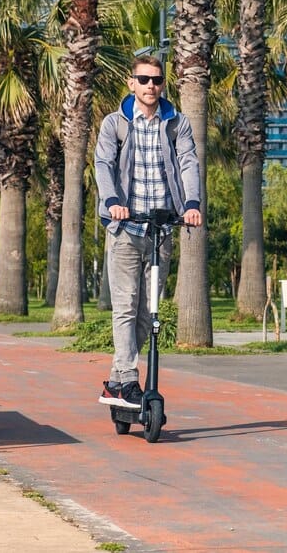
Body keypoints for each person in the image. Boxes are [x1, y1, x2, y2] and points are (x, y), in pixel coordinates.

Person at [93, 54, 203, 409]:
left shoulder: (177, 124)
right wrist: (111, 200)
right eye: (144, 80)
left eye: (156, 80)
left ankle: (115, 382)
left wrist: (192, 204)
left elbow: (188, 161)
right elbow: (103, 163)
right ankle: (128, 382)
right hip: (125, 227)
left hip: (160, 231)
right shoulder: (115, 123)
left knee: (147, 314)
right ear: (131, 83)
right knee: (125, 306)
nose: (150, 86)